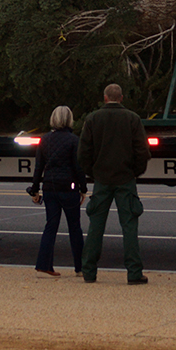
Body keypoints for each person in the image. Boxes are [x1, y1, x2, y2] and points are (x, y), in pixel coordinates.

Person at [77, 83, 151, 285]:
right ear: (121, 98)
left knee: (96, 226)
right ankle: (134, 272)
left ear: (105, 98)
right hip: (125, 179)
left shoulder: (93, 119)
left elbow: (83, 152)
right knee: (129, 226)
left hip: (102, 179)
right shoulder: (132, 119)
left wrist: (93, 172)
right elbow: (142, 151)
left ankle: (89, 271)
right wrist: (134, 172)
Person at [26, 106, 88, 277]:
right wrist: (83, 189)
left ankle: (44, 264)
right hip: (69, 188)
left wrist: (35, 190)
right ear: (69, 119)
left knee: (50, 226)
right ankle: (80, 266)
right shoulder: (74, 140)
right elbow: (78, 167)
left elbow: (38, 167)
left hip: (49, 188)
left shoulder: (44, 140)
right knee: (74, 227)